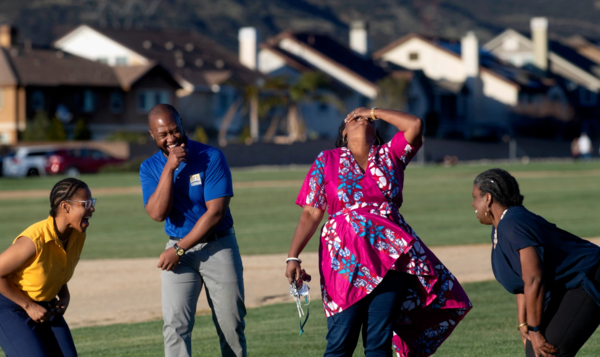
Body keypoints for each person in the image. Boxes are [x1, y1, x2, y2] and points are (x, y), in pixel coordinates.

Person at [286, 107, 472, 357]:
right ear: (343, 133)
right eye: (354, 119)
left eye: (368, 120)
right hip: (343, 262)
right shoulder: (326, 160)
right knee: (340, 341)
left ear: (376, 129)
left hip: (391, 260)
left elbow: (415, 124)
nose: (362, 120)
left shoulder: (391, 155)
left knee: (378, 343)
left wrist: (373, 111)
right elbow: (310, 213)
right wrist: (293, 256)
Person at [139, 104, 246, 357]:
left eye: (175, 131)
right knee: (175, 326)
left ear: (182, 123)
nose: (171, 138)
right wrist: (170, 168)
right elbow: (157, 213)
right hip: (178, 252)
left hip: (217, 246)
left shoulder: (211, 156)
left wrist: (178, 248)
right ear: (152, 135)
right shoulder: (149, 167)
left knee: (231, 325)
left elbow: (216, 213)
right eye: (163, 135)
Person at [472, 168, 600, 357]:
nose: (474, 204)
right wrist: (524, 324)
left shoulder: (513, 224)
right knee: (535, 350)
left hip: (587, 278)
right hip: (567, 284)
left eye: (475, 197)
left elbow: (534, 278)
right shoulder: (500, 225)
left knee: (544, 353)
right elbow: (522, 281)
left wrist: (535, 329)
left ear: (488, 199)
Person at [0, 178, 95, 356]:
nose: (92, 208)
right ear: (65, 207)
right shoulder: (34, 240)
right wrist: (29, 306)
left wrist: (64, 294)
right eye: (86, 203)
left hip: (45, 304)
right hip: (9, 305)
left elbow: (57, 269)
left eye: (93, 202)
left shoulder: (77, 235)